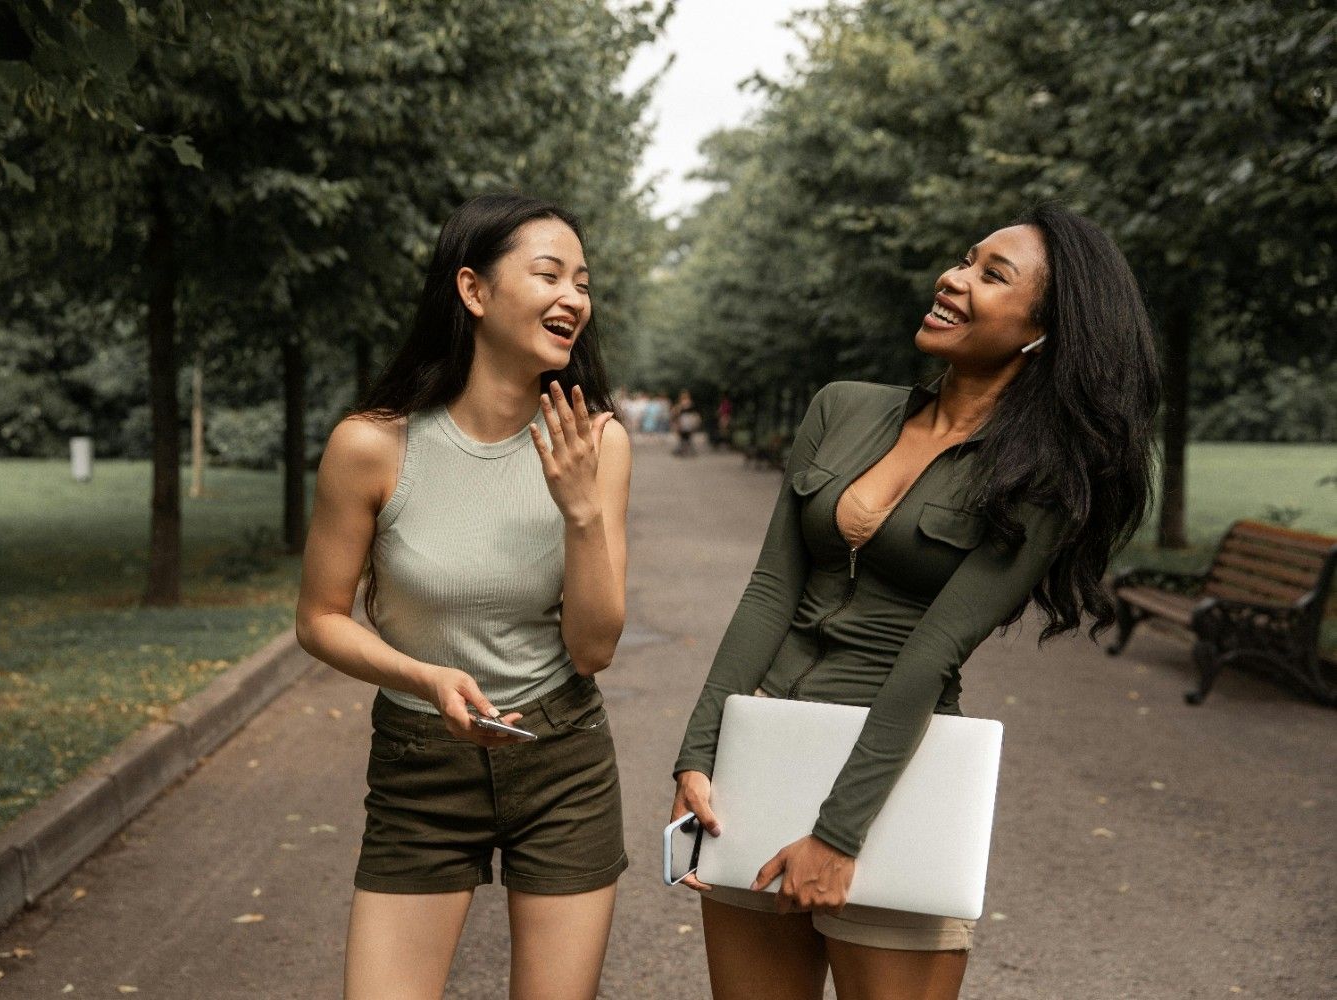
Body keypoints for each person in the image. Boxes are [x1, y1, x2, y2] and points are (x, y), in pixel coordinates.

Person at [670, 204, 1159, 1000]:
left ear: (1042, 332)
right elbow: (770, 590)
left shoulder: (1041, 477)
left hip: (895, 787)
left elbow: (935, 651)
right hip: (764, 760)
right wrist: (698, 754)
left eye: (992, 276)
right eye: (965, 259)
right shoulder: (841, 407)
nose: (953, 279)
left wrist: (837, 834)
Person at [296, 192, 632, 1000]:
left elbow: (594, 649)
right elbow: (318, 620)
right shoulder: (373, 444)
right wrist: (425, 678)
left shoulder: (598, 443)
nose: (573, 297)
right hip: (420, 762)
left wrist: (581, 510)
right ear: (474, 290)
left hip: (562, 759)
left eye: (583, 282)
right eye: (549, 274)